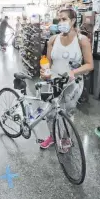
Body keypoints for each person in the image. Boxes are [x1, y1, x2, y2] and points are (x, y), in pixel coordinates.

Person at [39, 8, 94, 149]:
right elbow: (48, 63)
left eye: (64, 19)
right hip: (54, 81)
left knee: (67, 112)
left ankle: (65, 137)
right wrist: (45, 72)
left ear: (73, 20)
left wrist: (73, 72)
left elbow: (89, 65)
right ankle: (52, 135)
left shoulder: (82, 40)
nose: (61, 22)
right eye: (59, 20)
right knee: (50, 112)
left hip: (72, 82)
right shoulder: (52, 40)